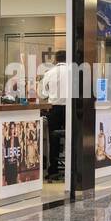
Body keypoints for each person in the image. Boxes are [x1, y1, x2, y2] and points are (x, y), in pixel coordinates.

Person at [41, 51, 67, 180]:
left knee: (54, 139)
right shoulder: (74, 73)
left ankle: (53, 170)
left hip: (54, 109)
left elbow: (43, 94)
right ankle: (72, 167)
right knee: (72, 137)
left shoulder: (49, 73)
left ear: (56, 59)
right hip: (70, 109)